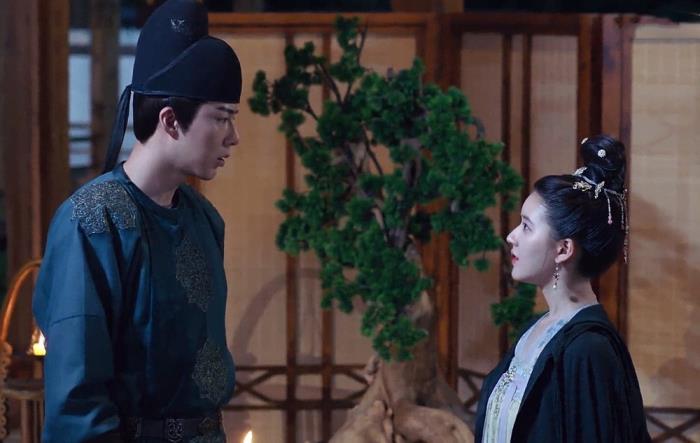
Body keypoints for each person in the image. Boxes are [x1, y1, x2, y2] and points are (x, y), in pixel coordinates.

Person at [32, 0, 242, 441]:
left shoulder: (204, 217)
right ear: (170, 120)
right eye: (221, 118)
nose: (233, 138)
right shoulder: (92, 222)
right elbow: (77, 401)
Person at [474, 135, 651, 443]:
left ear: (564, 249)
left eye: (526, 226)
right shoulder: (536, 329)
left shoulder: (588, 349)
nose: (511, 236)